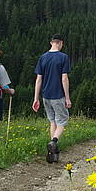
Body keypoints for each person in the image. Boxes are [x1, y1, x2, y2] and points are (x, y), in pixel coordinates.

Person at [32, 34, 71, 163]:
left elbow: (38, 80)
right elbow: (64, 78)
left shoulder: (43, 58)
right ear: (61, 43)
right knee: (62, 121)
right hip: (58, 95)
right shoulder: (63, 57)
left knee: (52, 121)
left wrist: (36, 98)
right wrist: (67, 97)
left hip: (45, 96)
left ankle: (52, 153)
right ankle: (53, 142)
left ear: (51, 43)